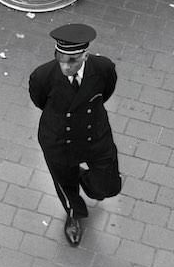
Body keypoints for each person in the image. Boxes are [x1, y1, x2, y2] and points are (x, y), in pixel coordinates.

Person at [28, 23, 121, 247]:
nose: (64, 65)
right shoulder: (42, 76)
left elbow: (106, 91)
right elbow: (40, 101)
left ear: (85, 56)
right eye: (60, 57)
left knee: (108, 187)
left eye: (72, 60)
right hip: (59, 139)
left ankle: (85, 179)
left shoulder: (103, 68)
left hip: (95, 135)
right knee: (65, 184)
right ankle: (74, 214)